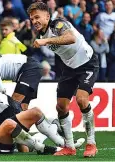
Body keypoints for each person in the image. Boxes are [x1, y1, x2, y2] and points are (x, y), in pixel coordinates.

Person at [27, 2, 99, 157]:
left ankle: (91, 143)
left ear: (47, 16)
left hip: (87, 64)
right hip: (69, 68)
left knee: (81, 99)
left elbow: (71, 38)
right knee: (61, 107)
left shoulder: (58, 24)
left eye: (37, 17)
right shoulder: (41, 33)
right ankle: (69, 147)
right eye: (32, 19)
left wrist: (46, 41)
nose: (34, 21)